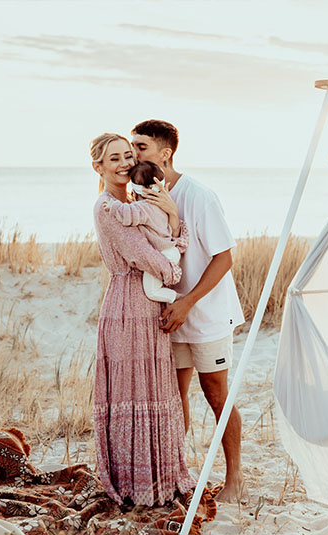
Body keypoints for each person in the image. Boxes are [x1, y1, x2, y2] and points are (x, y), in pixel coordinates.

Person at [131, 120, 247, 503]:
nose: (135, 154)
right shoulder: (140, 195)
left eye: (141, 147)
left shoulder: (198, 196)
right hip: (168, 315)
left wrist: (188, 301)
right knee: (172, 397)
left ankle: (235, 480)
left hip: (206, 313)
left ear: (165, 153)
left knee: (216, 393)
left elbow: (224, 258)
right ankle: (174, 475)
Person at [89, 132, 195, 506]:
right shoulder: (107, 208)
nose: (123, 164)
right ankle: (136, 480)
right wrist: (172, 271)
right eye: (113, 159)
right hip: (127, 305)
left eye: (127, 157)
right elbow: (144, 257)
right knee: (131, 390)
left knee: (155, 386)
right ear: (97, 166)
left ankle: (162, 474)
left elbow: (168, 234)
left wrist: (172, 215)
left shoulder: (137, 200)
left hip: (149, 306)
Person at [103, 161, 181, 303]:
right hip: (171, 250)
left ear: (136, 190)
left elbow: (128, 215)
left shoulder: (143, 208)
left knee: (152, 292)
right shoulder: (162, 203)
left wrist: (113, 206)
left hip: (163, 254)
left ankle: (177, 298)